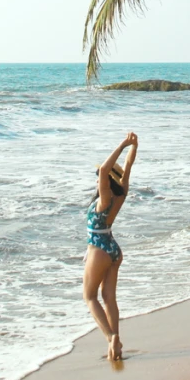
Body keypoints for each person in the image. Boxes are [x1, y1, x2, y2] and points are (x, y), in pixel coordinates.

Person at [83, 131, 137, 362]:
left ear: (106, 181)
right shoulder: (120, 194)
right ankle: (116, 348)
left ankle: (110, 337)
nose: (98, 178)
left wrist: (124, 143)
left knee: (89, 297)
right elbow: (128, 165)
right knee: (109, 298)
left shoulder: (104, 199)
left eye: (100, 177)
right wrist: (134, 146)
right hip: (113, 249)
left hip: (100, 249)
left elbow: (106, 170)